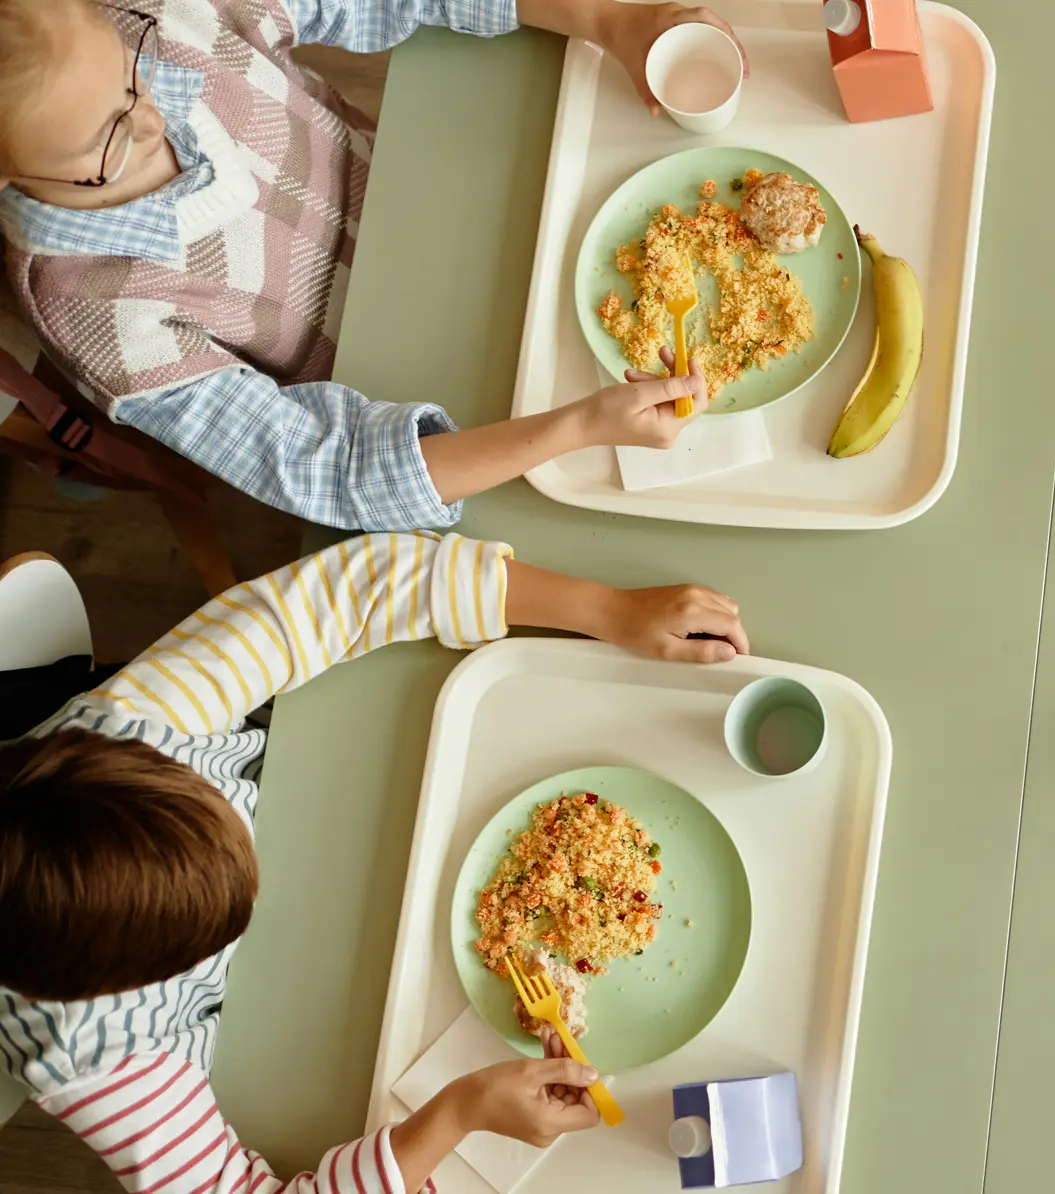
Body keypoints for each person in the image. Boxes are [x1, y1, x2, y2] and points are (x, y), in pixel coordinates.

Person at [0, 530, 751, 1190]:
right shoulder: (88, 1053)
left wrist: (605, 611)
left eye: (212, 806)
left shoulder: (138, 726)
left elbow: (347, 591)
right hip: (291, 1025)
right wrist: (457, 1113)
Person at [0, 0, 742, 530]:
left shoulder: (160, 17)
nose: (156, 117)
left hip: (463, 202)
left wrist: (608, 19)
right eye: (108, 139)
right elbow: (331, 470)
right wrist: (575, 428)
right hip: (434, 393)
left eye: (132, 79)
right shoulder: (97, 314)